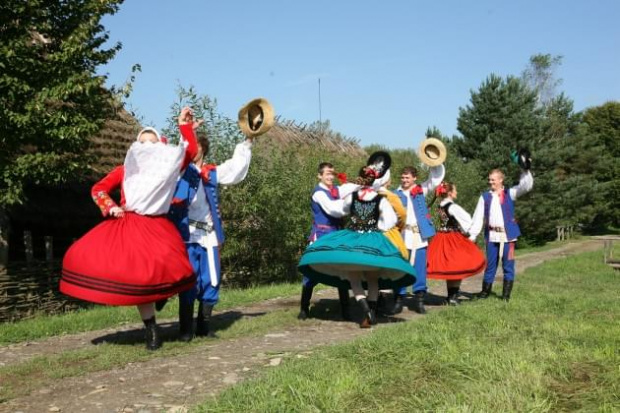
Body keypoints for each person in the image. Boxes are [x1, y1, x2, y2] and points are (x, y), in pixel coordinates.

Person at [60, 107, 199, 350]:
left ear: (160, 146)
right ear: (135, 145)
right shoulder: (125, 170)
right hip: (132, 226)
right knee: (138, 278)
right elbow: (98, 189)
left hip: (159, 227)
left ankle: (162, 294)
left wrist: (184, 125)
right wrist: (111, 207)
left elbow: (191, 151)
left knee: (178, 270)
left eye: (152, 142)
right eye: (142, 142)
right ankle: (152, 330)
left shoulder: (167, 169)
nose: (146, 145)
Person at [299, 152, 416, 328]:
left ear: (362, 180)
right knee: (373, 278)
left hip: (352, 239)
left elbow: (338, 210)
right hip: (372, 240)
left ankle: (365, 311)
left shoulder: (350, 197)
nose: (331, 176)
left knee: (353, 278)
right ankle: (371, 312)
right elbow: (391, 221)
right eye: (328, 173)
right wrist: (378, 226)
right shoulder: (380, 199)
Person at [167, 123, 254, 341]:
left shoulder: (211, 173)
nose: (191, 149)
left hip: (209, 236)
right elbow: (179, 154)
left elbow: (235, 168)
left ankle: (204, 327)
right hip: (186, 237)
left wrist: (247, 142)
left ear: (203, 150)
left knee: (211, 280)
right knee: (188, 280)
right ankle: (185, 329)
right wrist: (185, 131)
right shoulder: (179, 174)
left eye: (195, 146)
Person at [468, 163, 533, 301]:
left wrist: (525, 170)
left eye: (493, 179)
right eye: (489, 179)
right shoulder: (485, 197)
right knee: (490, 264)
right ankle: (485, 293)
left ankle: (505, 296)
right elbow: (478, 217)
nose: (490, 181)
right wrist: (473, 235)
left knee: (508, 265)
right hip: (491, 236)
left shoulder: (510, 193)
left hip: (508, 236)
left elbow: (526, 186)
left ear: (500, 180)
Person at [298, 162, 352, 321]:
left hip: (336, 234)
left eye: (332, 174)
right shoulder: (318, 193)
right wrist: (351, 204)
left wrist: (368, 180)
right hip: (321, 235)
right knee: (312, 270)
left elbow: (354, 187)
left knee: (342, 272)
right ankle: (304, 308)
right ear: (320, 175)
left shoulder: (337, 190)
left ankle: (346, 310)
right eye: (327, 174)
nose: (330, 176)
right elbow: (333, 209)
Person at [391, 163, 445, 314]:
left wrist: (436, 162)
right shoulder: (395, 194)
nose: (404, 180)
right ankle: (398, 300)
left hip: (419, 236)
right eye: (402, 177)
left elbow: (435, 179)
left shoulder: (420, 190)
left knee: (420, 268)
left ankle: (419, 301)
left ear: (414, 178)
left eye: (407, 177)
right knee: (400, 268)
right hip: (402, 236)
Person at [426, 181, 486, 305]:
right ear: (450, 193)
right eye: (455, 190)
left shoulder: (441, 205)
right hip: (453, 238)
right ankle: (453, 297)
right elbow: (467, 220)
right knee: (457, 265)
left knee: (450, 268)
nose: (456, 192)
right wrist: (470, 232)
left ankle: (450, 296)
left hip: (441, 237)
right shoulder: (452, 207)